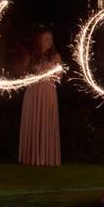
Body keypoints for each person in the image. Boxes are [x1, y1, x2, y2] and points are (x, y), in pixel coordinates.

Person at [18, 29, 61, 166]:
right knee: (34, 118)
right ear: (40, 41)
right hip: (34, 92)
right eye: (46, 39)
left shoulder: (55, 57)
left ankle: (45, 158)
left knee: (45, 119)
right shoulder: (32, 56)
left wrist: (52, 73)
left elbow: (59, 75)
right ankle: (31, 157)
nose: (50, 41)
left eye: (51, 39)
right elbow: (23, 73)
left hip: (48, 92)